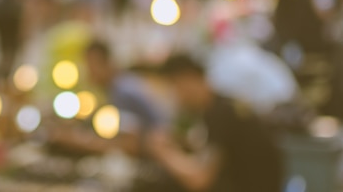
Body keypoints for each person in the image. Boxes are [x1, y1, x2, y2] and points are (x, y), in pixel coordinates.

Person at [148, 55, 283, 192]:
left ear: (188, 80)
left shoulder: (221, 114)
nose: (174, 97)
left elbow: (199, 180)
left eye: (174, 86)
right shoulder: (223, 106)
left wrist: (162, 152)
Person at [49, 40, 165, 156]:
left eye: (91, 66)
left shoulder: (123, 90)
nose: (89, 73)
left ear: (106, 63)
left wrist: (79, 143)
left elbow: (129, 145)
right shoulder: (118, 87)